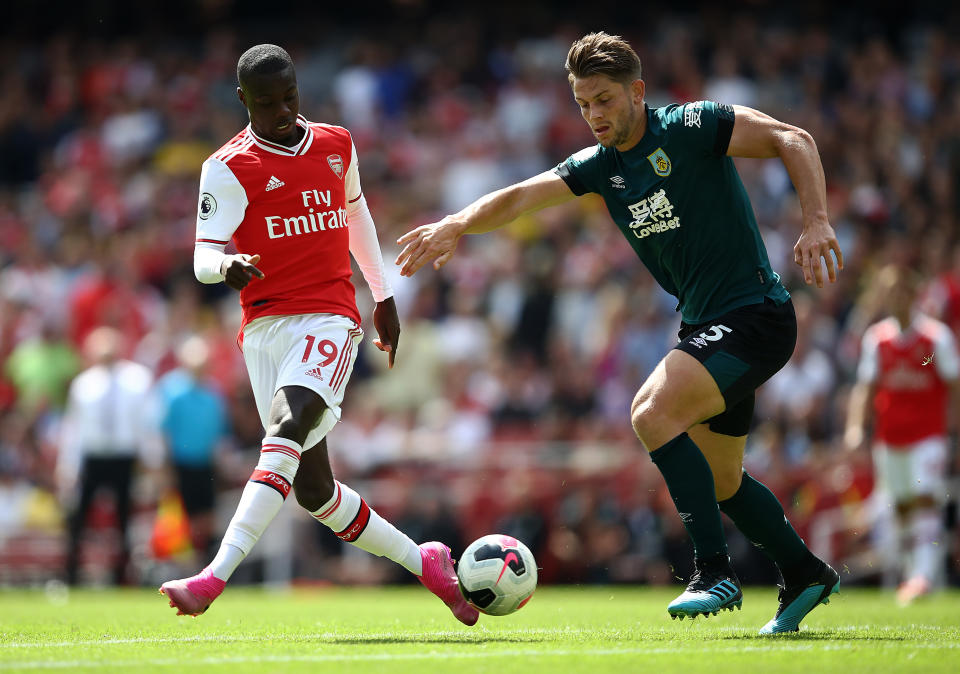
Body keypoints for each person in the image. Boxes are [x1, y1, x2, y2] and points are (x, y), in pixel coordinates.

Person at [397, 32, 843, 634]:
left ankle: (713, 570)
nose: (595, 116)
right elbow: (523, 196)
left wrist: (816, 221)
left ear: (637, 90)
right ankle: (805, 571)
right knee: (722, 480)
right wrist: (457, 223)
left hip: (755, 314)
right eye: (583, 104)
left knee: (649, 413)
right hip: (711, 324)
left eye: (604, 100)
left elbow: (794, 137)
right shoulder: (602, 167)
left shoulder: (692, 125)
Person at [159, 44, 477, 626]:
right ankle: (425, 560)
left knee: (285, 428)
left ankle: (213, 577)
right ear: (242, 101)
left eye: (289, 98)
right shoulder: (227, 168)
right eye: (266, 103)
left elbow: (355, 216)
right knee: (315, 493)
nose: (282, 111)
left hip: (330, 316)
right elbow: (202, 255)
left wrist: (381, 296)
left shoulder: (336, 144)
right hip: (264, 330)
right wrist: (225, 266)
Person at [845, 265, 959, 604]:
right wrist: (855, 428)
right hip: (890, 439)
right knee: (900, 507)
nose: (896, 298)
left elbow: (951, 384)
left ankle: (923, 575)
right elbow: (864, 389)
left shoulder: (934, 339)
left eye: (901, 291)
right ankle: (915, 576)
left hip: (928, 436)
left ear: (912, 294)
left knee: (925, 500)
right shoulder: (877, 339)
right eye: (889, 292)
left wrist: (953, 431)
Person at [58, 325, 157, 585]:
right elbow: (74, 428)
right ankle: (71, 573)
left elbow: (145, 422)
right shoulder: (84, 384)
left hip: (124, 456)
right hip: (94, 455)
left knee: (124, 517)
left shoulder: (137, 379)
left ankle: (122, 574)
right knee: (80, 516)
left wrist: (151, 459)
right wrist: (68, 466)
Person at [156, 335, 229, 561]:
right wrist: (165, 467)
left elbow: (219, 433)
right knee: (179, 519)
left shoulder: (214, 393)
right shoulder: (172, 390)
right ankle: (183, 563)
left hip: (205, 463)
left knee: (206, 517)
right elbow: (163, 432)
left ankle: (205, 562)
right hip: (180, 464)